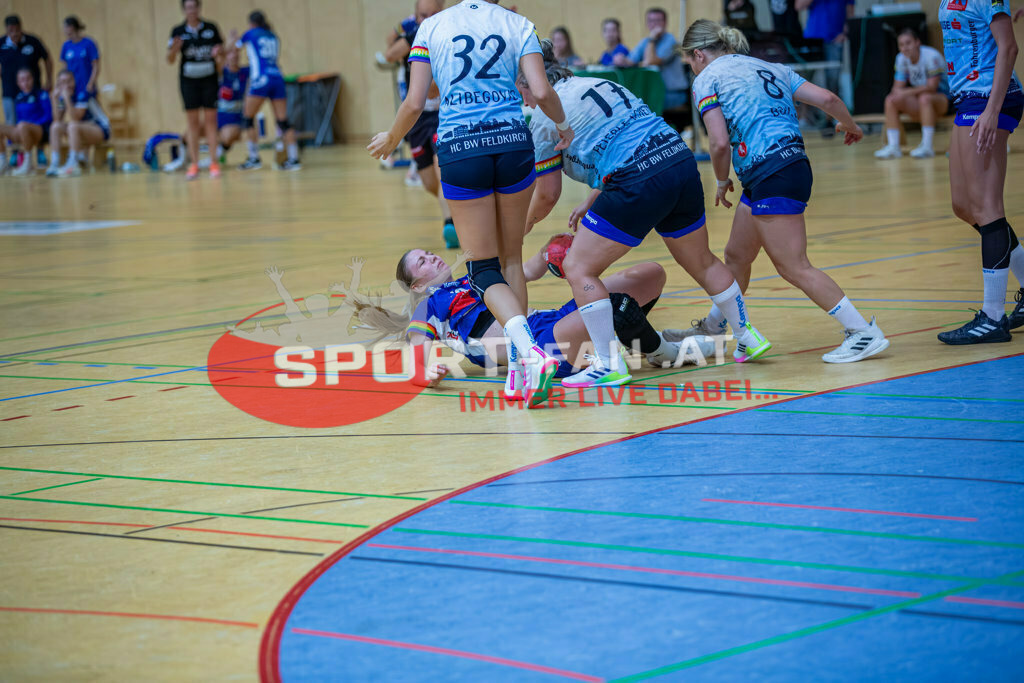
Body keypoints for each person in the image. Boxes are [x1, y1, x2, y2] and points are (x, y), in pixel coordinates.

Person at [521, 40, 770, 389]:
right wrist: (594, 197)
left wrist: (520, 226)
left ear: (528, 83)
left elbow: (547, 195)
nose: (524, 101)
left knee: (579, 266)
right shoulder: (600, 83)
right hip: (678, 163)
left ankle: (608, 365)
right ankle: (749, 335)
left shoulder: (544, 118)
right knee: (701, 260)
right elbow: (624, 137)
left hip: (636, 179)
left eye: (521, 92)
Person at [367, 0, 575, 408]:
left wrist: (392, 139)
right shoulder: (518, 23)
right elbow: (542, 90)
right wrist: (563, 127)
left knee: (483, 268)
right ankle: (518, 370)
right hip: (513, 141)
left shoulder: (430, 28)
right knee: (511, 257)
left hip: (462, 148)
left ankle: (528, 356)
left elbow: (415, 102)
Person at [682, 19, 889, 363]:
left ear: (699, 54)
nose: (691, 67)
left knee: (794, 266)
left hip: (769, 171)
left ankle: (862, 332)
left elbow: (718, 143)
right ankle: (715, 329)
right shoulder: (771, 66)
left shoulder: (707, 78)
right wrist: (849, 126)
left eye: (689, 61)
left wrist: (720, 180)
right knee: (737, 255)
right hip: (789, 166)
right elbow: (828, 98)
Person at [395, 246, 714, 396]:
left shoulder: (475, 278)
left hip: (549, 319)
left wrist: (550, 253)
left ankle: (633, 342)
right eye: (422, 262)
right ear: (417, 286)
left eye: (429, 253)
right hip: (542, 346)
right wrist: (427, 377)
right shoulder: (429, 306)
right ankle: (661, 350)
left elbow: (526, 270)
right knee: (616, 307)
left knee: (649, 274)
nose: (433, 257)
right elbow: (417, 358)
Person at [936, 0, 1024, 343]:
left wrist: (992, 109)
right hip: (967, 97)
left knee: (987, 208)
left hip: (988, 99)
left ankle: (992, 316)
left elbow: (1010, 46)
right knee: (963, 205)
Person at [383, 0, 457, 248]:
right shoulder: (417, 34)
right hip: (417, 120)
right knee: (429, 183)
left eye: (433, 14)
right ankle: (455, 210)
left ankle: (451, 224)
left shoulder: (449, 36)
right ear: (415, 16)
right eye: (422, 15)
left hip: (442, 115)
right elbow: (389, 53)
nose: (428, 20)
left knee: (441, 168)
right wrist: (404, 32)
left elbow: (433, 91)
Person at [235, 11, 300, 171]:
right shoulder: (273, 36)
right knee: (282, 121)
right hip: (277, 76)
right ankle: (293, 159)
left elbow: (235, 48)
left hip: (261, 79)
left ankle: (253, 158)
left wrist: (230, 41)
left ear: (251, 23)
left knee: (248, 118)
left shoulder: (250, 33)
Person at [874, 28, 950, 159]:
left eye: (908, 43)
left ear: (917, 42)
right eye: (901, 45)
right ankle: (894, 147)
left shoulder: (931, 56)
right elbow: (897, 89)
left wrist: (907, 92)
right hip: (921, 101)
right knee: (891, 99)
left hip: (945, 100)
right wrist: (901, 93)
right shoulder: (901, 59)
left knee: (925, 98)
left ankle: (927, 146)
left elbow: (932, 87)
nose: (905, 48)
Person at [168, 0, 223, 180]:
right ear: (184, 10)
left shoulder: (211, 28)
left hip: (209, 79)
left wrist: (219, 52)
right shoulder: (178, 32)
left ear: (199, 8)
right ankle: (194, 164)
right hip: (189, 81)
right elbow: (169, 59)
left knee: (210, 121)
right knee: (192, 122)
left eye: (194, 7)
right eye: (188, 7)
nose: (192, 11)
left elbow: (221, 52)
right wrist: (174, 50)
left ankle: (214, 162)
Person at [613, 8, 689, 114]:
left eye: (658, 20)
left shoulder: (670, 40)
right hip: (655, 92)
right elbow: (630, 61)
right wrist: (621, 60)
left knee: (639, 105)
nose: (654, 24)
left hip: (673, 94)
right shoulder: (645, 41)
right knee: (627, 103)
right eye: (651, 21)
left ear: (665, 23)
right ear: (647, 23)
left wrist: (652, 39)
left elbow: (650, 62)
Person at [46, 69, 110, 177]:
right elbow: (57, 118)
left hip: (100, 128)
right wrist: (54, 100)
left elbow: (75, 117)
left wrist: (66, 98)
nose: (66, 85)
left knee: (72, 126)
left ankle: (73, 163)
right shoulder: (63, 98)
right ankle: (54, 163)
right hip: (81, 129)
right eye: (62, 82)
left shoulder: (82, 93)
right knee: (55, 127)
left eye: (68, 81)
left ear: (74, 81)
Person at [1, 15, 53, 126]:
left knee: (36, 121)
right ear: (6, 30)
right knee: (11, 124)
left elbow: (47, 59)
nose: (14, 34)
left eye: (17, 30)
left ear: (21, 28)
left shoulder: (33, 41)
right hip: (10, 91)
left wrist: (49, 80)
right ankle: (14, 143)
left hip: (33, 90)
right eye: (11, 31)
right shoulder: (1, 43)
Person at [0, 68, 51, 175]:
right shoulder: (19, 97)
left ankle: (28, 164)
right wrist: (11, 140)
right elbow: (19, 119)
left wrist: (32, 125)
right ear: (18, 82)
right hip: (22, 130)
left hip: (39, 131)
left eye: (28, 79)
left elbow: (48, 116)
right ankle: (3, 161)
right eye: (22, 80)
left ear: (33, 79)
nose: (25, 82)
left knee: (23, 125)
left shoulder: (41, 94)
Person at [60, 16, 99, 100]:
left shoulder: (88, 43)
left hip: (86, 84)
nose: (64, 30)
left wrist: (91, 83)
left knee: (89, 110)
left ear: (72, 27)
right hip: (72, 85)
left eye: (65, 27)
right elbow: (64, 68)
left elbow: (96, 65)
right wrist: (64, 84)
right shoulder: (66, 45)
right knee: (62, 105)